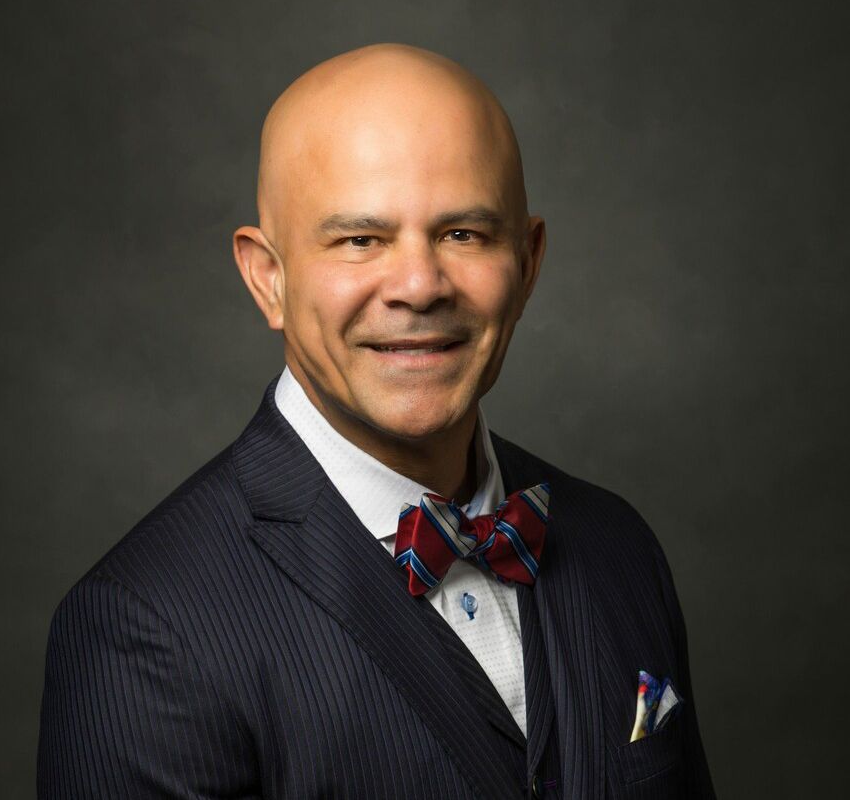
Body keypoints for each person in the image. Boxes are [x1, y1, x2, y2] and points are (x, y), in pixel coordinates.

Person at [37, 43, 715, 799]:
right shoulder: (143, 629)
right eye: (360, 239)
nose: (420, 286)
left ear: (527, 264)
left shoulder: (618, 545)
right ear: (269, 279)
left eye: (464, 234)